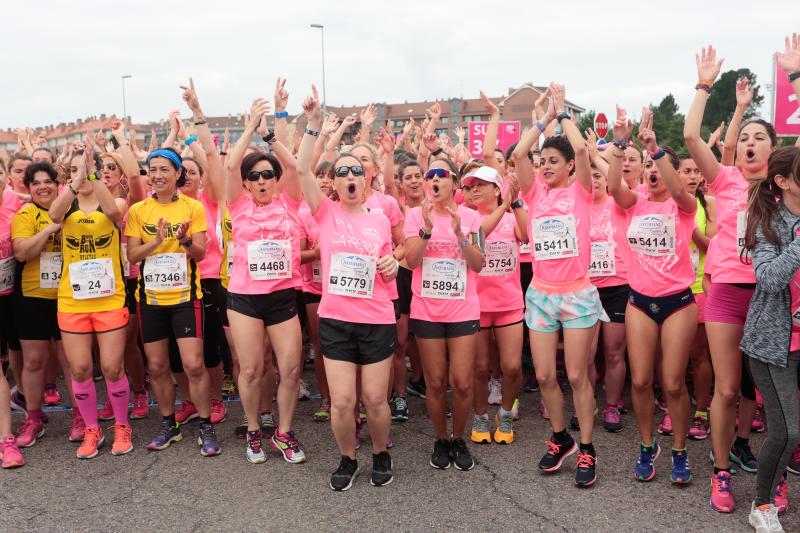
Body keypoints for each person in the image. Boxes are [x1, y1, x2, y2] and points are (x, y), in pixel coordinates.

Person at [684, 44, 778, 512]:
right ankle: (720, 472)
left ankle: (772, 474)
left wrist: (795, 75)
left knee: (766, 396)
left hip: (771, 296)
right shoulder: (724, 182)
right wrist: (705, 85)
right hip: (724, 292)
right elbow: (690, 135)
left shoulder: (789, 191)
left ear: (774, 150)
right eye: (745, 138)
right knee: (725, 388)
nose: (750, 144)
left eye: (760, 138)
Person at [298, 86, 399, 490]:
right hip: (336, 319)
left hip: (376, 319)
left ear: (367, 176)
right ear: (333, 184)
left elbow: (392, 262)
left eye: (356, 170)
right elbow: (303, 168)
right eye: (342, 172)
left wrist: (392, 264)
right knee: (341, 402)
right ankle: (347, 457)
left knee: (375, 401)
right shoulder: (323, 213)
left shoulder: (379, 217)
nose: (350, 176)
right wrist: (313, 125)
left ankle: (379, 452)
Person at [513, 84, 604, 487]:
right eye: (543, 161)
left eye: (553, 160)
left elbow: (582, 151)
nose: (545, 166)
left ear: (568, 166)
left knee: (579, 376)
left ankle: (586, 447)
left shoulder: (581, 192)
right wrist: (542, 121)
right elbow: (518, 154)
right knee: (547, 376)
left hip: (579, 295)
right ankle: (559, 437)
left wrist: (563, 114)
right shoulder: (534, 195)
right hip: (541, 295)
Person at [609, 109, 697, 485]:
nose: (654, 172)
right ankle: (647, 446)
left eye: (660, 167)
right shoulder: (635, 203)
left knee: (673, 383)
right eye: (648, 166)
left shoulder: (685, 204)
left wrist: (656, 149)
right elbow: (614, 188)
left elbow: (679, 190)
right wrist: (619, 143)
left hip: (678, 302)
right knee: (641, 381)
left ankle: (679, 450)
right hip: (639, 302)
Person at [224, 96, 305, 464]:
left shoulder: (288, 201)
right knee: (252, 369)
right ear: (246, 183)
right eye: (254, 176)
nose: (261, 180)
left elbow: (295, 165)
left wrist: (269, 134)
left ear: (276, 180)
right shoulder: (237, 204)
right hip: (244, 297)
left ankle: (284, 434)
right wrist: (247, 131)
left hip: (282, 295)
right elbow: (228, 167)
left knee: (289, 367)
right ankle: (254, 429)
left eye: (267, 175)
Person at [126, 147, 220, 457]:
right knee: (157, 365)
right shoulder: (139, 210)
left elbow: (201, 254)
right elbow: (132, 256)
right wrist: (154, 242)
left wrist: (184, 240)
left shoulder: (193, 207)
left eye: (164, 169)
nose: (157, 175)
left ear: (178, 173)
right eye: (152, 169)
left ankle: (205, 424)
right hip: (150, 299)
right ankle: (169, 423)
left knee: (194, 364)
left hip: (185, 297)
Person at [404, 140, 485, 472]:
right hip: (427, 310)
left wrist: (459, 234)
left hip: (463, 309)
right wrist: (425, 229)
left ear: (454, 182)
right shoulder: (414, 215)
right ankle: (441, 438)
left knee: (463, 382)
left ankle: (459, 437)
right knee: (436, 383)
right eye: (430, 175)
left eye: (441, 174)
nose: (434, 180)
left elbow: (478, 263)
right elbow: (410, 260)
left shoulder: (470, 216)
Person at [48, 148, 132, 459]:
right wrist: (75, 181)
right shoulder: (65, 203)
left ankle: (122, 425)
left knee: (111, 367)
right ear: (67, 174)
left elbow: (114, 213)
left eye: (84, 169)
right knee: (81, 369)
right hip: (73, 300)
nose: (80, 174)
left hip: (109, 298)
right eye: (73, 170)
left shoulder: (113, 200)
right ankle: (91, 428)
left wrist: (93, 173)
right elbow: (54, 216)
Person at [741, 145, 800, 533]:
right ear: (782, 182)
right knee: (787, 430)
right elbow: (770, 278)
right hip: (773, 343)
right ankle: (762, 505)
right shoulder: (768, 222)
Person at [12, 162, 81, 447]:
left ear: (58, 185)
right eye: (36, 183)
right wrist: (50, 229)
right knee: (34, 361)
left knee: (72, 363)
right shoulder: (26, 214)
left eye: (48, 182)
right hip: (34, 298)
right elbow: (22, 252)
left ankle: (80, 416)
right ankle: (33, 418)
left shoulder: (74, 211)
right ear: (29, 189)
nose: (43, 187)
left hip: (69, 298)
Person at [465, 166, 527, 445]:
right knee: (479, 368)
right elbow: (477, 234)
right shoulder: (467, 217)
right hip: (475, 306)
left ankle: (504, 414)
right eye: (469, 186)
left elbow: (526, 235)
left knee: (512, 367)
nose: (474, 190)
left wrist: (515, 200)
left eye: (481, 184)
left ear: (496, 188)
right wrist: (504, 206)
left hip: (509, 304)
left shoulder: (511, 216)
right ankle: (479, 418)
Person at [585, 145, 629, 433]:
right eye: (588, 174)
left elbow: (618, 182)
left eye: (598, 174)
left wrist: (599, 157)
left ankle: (612, 406)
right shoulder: (575, 205)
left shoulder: (619, 203)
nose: (595, 179)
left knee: (614, 352)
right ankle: (587, 403)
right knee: (585, 355)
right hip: (585, 288)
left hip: (618, 285)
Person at [680, 154, 717, 443]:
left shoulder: (708, 205)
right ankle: (674, 405)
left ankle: (702, 411)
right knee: (675, 357)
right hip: (671, 290)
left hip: (699, 287)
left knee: (699, 355)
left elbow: (712, 247)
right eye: (686, 171)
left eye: (696, 171)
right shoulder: (665, 204)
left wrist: (690, 228)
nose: (692, 176)